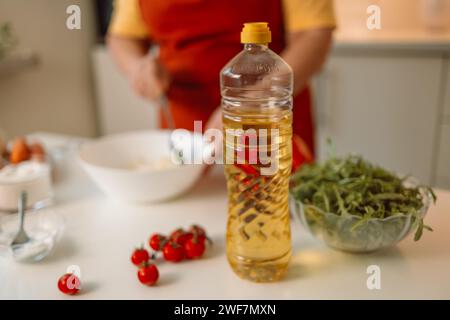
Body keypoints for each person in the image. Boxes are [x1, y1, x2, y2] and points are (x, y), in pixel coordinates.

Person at [107, 0, 336, 168]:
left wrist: (256, 100)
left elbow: (314, 34)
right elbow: (123, 36)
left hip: (269, 125)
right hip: (183, 126)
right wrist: (136, 67)